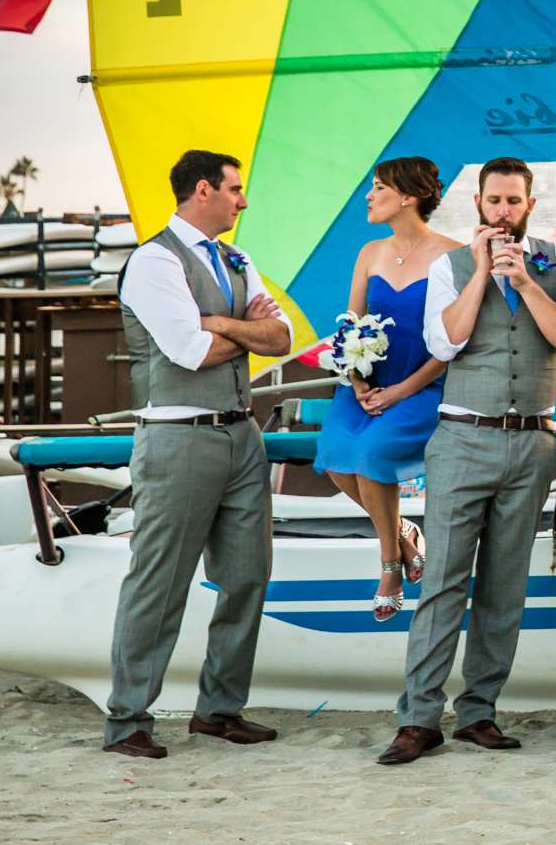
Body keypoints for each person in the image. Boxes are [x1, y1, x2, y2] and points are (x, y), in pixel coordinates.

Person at [378, 157, 556, 765]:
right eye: (493, 201)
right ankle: (419, 718)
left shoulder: (553, 262)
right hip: (464, 436)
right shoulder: (448, 265)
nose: (503, 212)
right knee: (443, 580)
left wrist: (525, 282)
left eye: (513, 201)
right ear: (477, 202)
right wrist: (479, 272)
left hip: (531, 441)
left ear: (529, 203)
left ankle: (478, 713)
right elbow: (446, 342)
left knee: (505, 585)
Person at [102, 150, 293, 758]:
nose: (244, 201)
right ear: (203, 190)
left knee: (247, 577)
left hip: (242, 433)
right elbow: (188, 352)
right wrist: (239, 329)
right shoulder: (155, 260)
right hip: (178, 437)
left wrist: (221, 323)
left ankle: (219, 710)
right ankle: (128, 719)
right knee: (160, 581)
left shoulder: (236, 258)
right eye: (236, 189)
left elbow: (282, 336)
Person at [313, 156, 454, 622]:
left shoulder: (454, 255)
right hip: (368, 385)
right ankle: (404, 532)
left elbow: (456, 340)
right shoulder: (369, 252)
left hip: (423, 385)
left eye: (378, 188)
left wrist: (400, 392)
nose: (369, 196)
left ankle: (389, 564)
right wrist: (357, 382)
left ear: (408, 196)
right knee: (335, 455)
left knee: (372, 454)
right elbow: (351, 325)